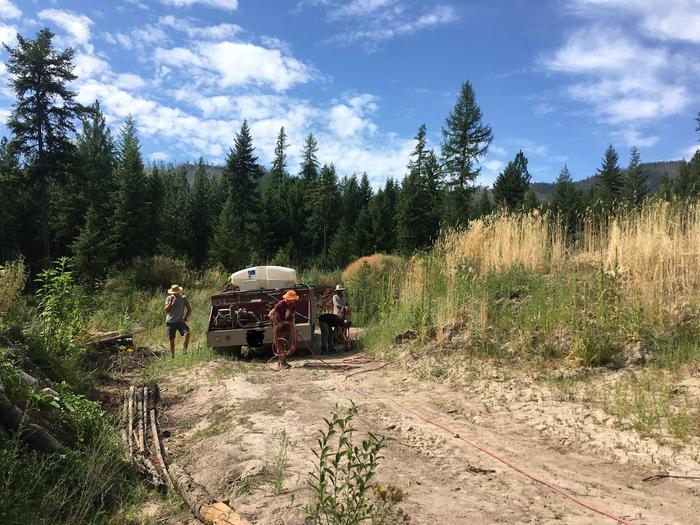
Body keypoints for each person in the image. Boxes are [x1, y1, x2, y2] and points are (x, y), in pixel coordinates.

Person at [268, 289, 299, 369]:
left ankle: (282, 362)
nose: (294, 300)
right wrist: (278, 323)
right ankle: (282, 364)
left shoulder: (292, 305)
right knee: (280, 345)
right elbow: (270, 315)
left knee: (287, 345)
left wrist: (293, 324)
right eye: (293, 299)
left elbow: (293, 315)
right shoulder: (280, 304)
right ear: (290, 299)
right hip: (280, 328)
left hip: (288, 327)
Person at [164, 284, 192, 358]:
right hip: (171, 322)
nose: (174, 294)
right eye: (173, 293)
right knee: (171, 338)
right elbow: (166, 310)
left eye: (175, 293)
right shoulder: (169, 298)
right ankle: (172, 355)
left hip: (180, 321)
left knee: (187, 333)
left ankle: (184, 352)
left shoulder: (183, 298)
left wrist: (185, 318)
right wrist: (171, 303)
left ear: (179, 292)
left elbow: (189, 309)